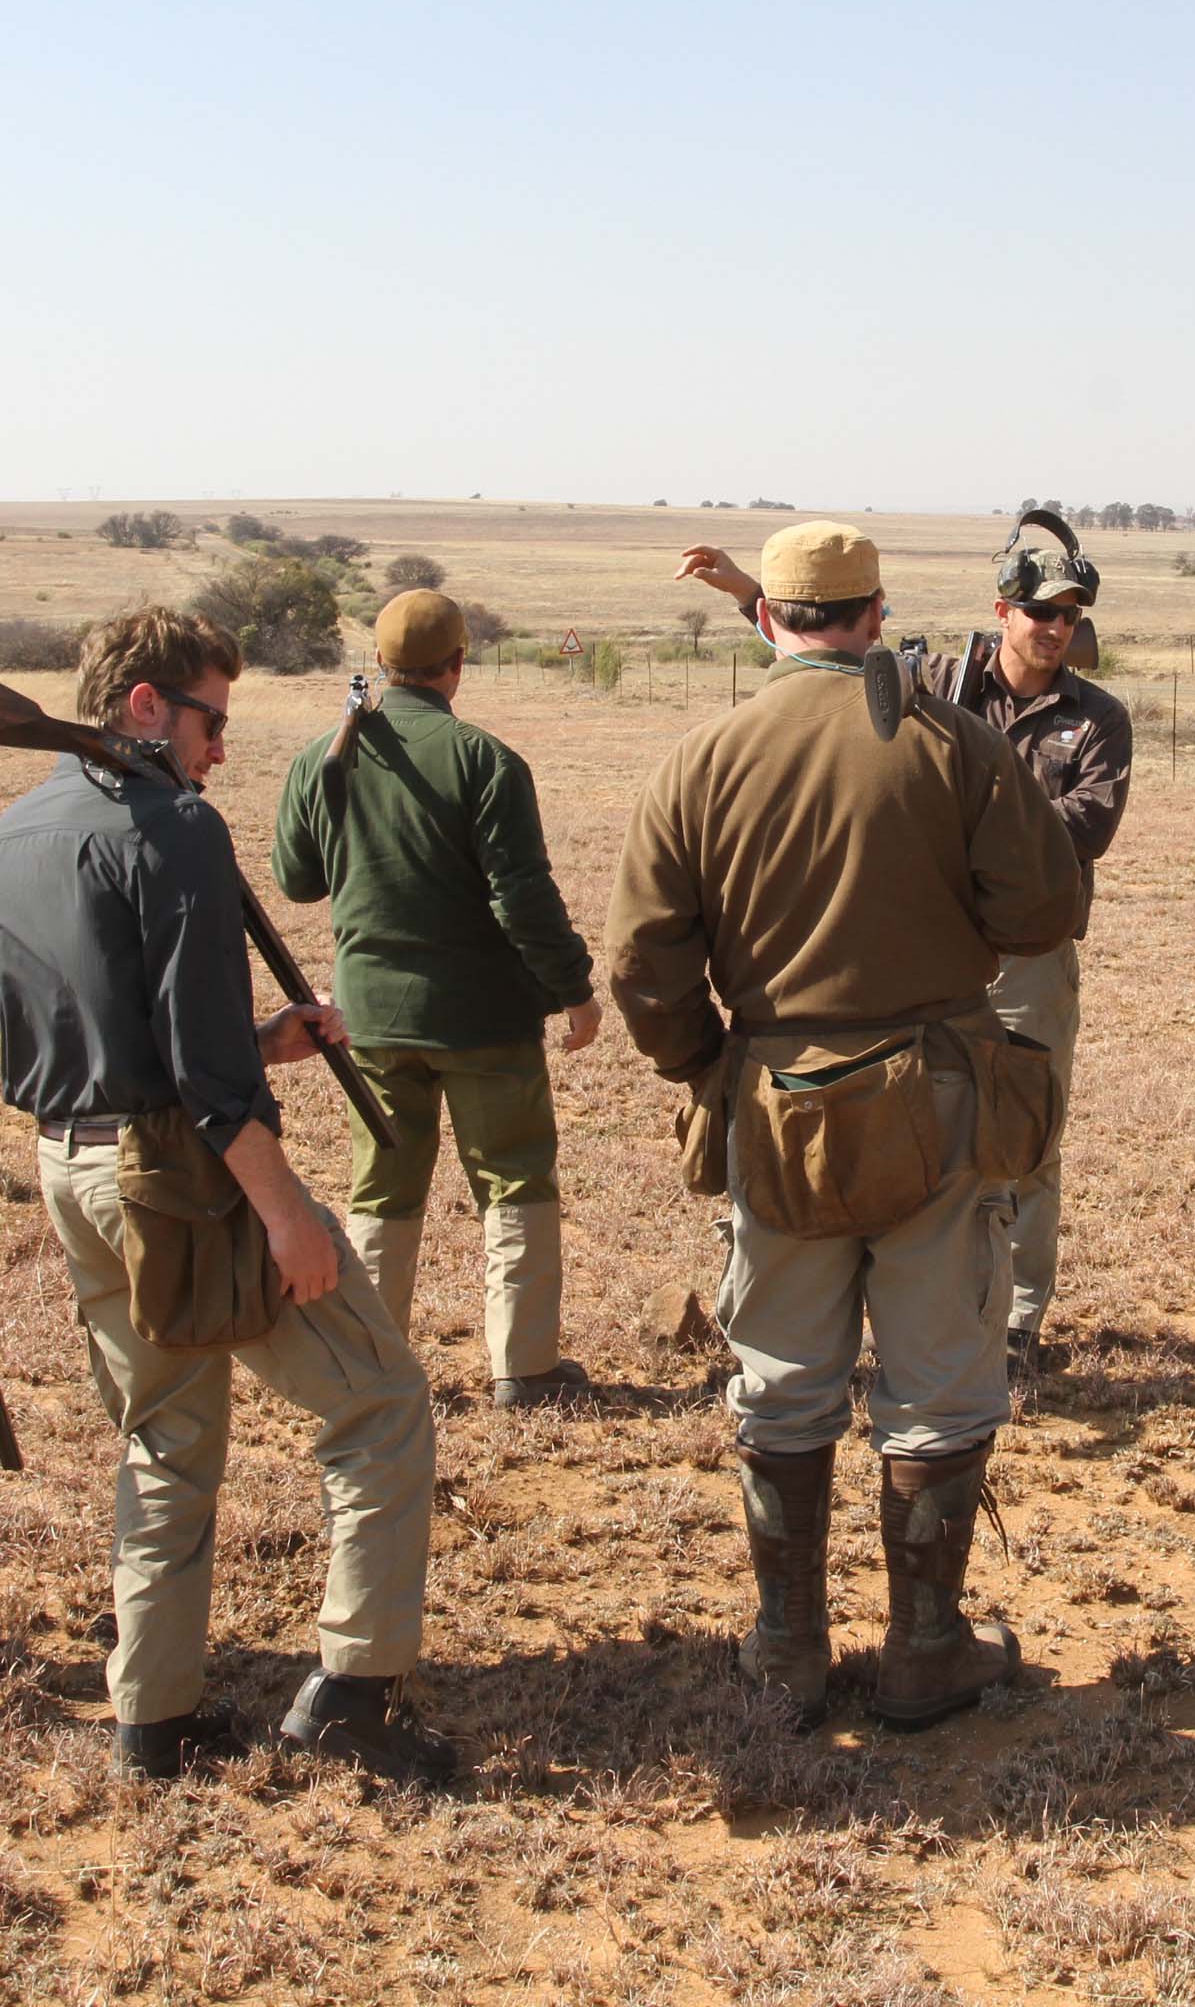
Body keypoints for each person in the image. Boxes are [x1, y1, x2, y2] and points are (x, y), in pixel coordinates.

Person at [0, 606, 453, 1785]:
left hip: (69, 1168)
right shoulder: (172, 827)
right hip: (181, 1171)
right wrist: (283, 1212)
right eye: (211, 722)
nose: (219, 752)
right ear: (144, 705)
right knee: (380, 1409)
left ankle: (155, 1715)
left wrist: (254, 1037)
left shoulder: (8, 837)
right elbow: (199, 1078)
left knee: (165, 1443)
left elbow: (113, 1022)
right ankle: (355, 1693)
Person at [613, 523, 1084, 1729]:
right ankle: (927, 1649)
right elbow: (1042, 911)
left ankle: (785, 1651)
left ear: (768, 618)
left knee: (779, 1381)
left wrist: (711, 1065)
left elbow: (645, 966)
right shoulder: (955, 741)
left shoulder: (702, 758)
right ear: (875, 615)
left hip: (774, 1107)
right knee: (937, 1383)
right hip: (933, 1095)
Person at [672, 529, 1131, 1386]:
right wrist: (748, 593)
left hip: (1030, 949)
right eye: (1040, 611)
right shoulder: (939, 692)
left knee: (1021, 1133)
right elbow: (822, 674)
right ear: (1003, 613)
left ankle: (1016, 1315)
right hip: (933, 948)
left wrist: (969, 817)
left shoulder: (1094, 717)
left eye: (1070, 615)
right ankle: (928, 1316)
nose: (1055, 627)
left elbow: (1085, 831)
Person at [272, 589, 603, 1406]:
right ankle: (523, 1371)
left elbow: (296, 880)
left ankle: (374, 1363)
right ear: (459, 664)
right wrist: (575, 989)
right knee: (515, 1179)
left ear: (380, 665)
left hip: (371, 1021)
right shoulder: (485, 760)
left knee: (381, 1187)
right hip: (485, 1019)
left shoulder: (327, 754)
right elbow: (521, 899)